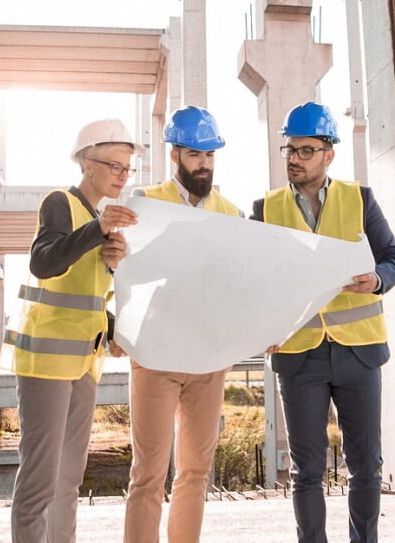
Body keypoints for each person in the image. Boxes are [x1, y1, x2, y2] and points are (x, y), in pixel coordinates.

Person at [250, 102, 395, 543]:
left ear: (328, 154)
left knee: (365, 466)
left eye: (305, 150)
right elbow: (249, 279)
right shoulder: (266, 208)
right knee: (306, 470)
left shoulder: (360, 199)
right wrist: (260, 328)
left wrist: (377, 279)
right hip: (299, 356)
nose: (294, 159)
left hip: (359, 351)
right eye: (290, 150)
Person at [6, 118, 141, 543]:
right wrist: (96, 233)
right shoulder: (60, 203)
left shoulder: (98, 219)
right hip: (46, 362)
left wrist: (115, 323)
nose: (122, 175)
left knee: (69, 481)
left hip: (85, 362)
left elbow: (87, 296)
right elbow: (44, 263)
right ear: (86, 162)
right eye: (115, 165)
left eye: (127, 168)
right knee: (40, 480)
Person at [122, 106, 244, 543]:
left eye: (210, 155)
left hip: (208, 358)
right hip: (156, 354)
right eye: (195, 154)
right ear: (176, 154)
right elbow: (124, 270)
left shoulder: (231, 213)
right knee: (148, 474)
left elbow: (239, 283)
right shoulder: (147, 201)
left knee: (195, 472)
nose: (204, 164)